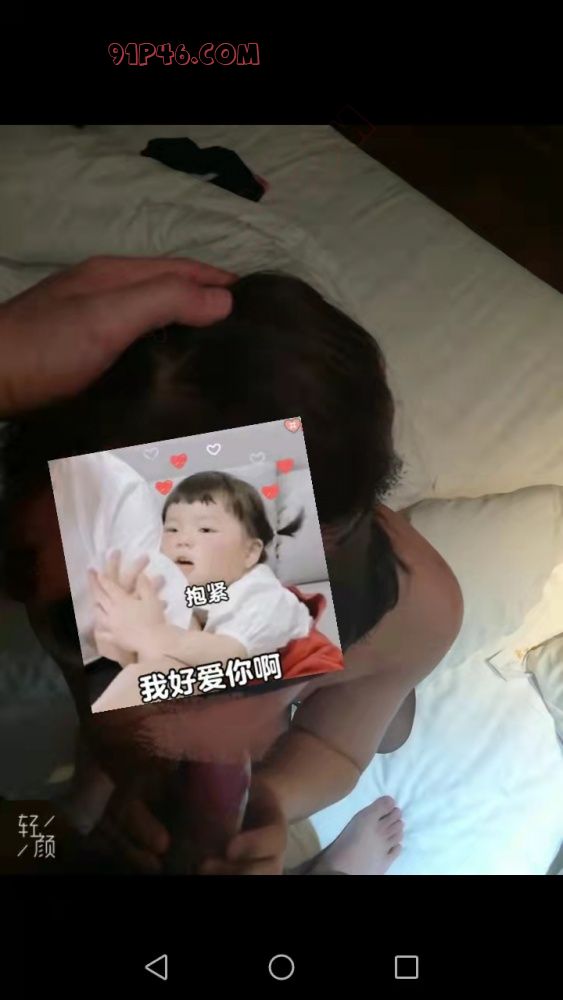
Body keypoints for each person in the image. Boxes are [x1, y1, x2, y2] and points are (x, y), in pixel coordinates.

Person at [0, 261, 463, 875]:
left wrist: (276, 794)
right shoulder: (50, 553)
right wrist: (127, 767)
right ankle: (87, 801)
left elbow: (334, 748)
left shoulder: (412, 611)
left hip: (358, 665)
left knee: (387, 723)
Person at [89, 470, 342, 712]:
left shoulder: (261, 594)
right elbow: (160, 658)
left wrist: (152, 634)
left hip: (306, 691)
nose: (182, 540)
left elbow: (228, 655)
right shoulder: (187, 595)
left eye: (205, 529)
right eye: (172, 529)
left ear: (250, 553)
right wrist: (121, 639)